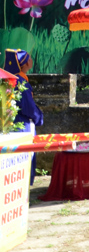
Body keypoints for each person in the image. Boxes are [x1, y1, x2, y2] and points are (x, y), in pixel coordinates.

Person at [4, 49, 43, 184]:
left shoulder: (6, 80)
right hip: (22, 125)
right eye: (30, 58)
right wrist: (39, 117)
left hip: (6, 124)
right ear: (25, 64)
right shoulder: (20, 82)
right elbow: (28, 108)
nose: (32, 60)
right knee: (25, 156)